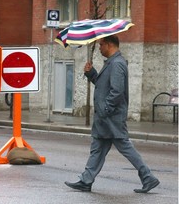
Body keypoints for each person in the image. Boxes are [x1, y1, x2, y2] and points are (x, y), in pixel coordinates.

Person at [65, 35, 160, 193]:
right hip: (105, 118)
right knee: (97, 148)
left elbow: (117, 92)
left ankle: (148, 177)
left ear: (109, 45)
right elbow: (104, 86)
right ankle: (86, 180)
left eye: (101, 45)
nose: (100, 48)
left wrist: (105, 110)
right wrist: (91, 73)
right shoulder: (111, 63)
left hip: (111, 118)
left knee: (125, 146)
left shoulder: (117, 64)